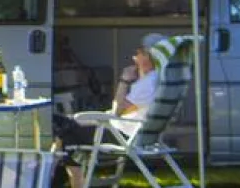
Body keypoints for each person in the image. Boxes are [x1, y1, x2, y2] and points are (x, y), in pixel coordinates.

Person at [52, 33, 165, 187]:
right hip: (125, 130)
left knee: (64, 129)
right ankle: (58, 175)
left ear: (147, 57)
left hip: (121, 135)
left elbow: (117, 111)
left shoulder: (148, 84)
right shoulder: (157, 80)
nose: (134, 57)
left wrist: (124, 80)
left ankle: (53, 176)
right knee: (67, 133)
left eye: (138, 53)